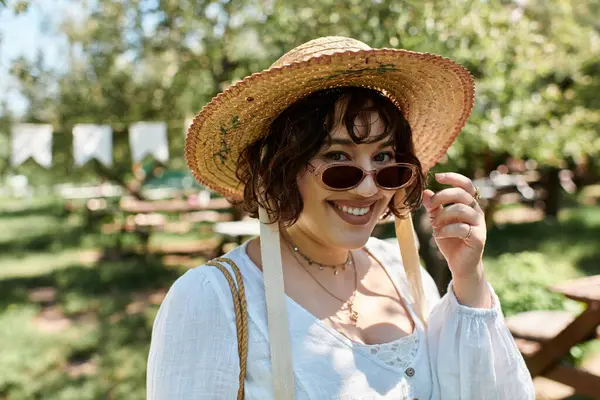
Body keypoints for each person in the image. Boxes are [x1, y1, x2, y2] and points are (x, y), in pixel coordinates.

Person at [147, 36, 535, 399]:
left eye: (384, 159)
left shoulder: (399, 268)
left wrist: (468, 278)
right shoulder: (211, 298)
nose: (368, 189)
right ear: (280, 169)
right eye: (337, 159)